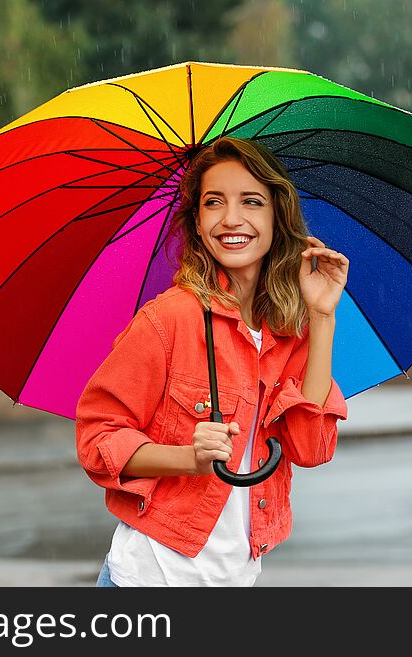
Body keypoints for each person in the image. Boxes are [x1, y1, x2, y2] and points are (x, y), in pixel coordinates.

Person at [75, 137, 350, 587]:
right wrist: (189, 458)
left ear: (277, 218)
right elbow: (97, 440)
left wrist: (321, 317)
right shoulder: (168, 320)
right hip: (148, 580)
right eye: (214, 202)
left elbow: (310, 448)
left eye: (252, 201)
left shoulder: (288, 331)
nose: (231, 219)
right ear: (198, 223)